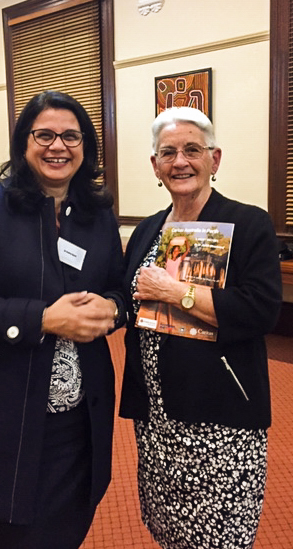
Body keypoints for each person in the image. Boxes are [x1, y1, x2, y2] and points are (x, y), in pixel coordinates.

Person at [0, 90, 126, 549]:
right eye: (44, 135)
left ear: (85, 148)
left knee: (72, 527)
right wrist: (42, 318)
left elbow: (120, 290)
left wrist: (115, 309)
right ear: (24, 144)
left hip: (82, 417)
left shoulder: (97, 213)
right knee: (20, 535)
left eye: (70, 136)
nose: (58, 146)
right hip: (12, 411)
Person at [120, 106, 282, 549]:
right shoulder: (147, 230)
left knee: (217, 532)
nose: (180, 161)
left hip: (219, 414)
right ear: (155, 165)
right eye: (168, 152)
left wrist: (176, 293)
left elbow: (261, 309)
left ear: (215, 159)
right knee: (169, 524)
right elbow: (128, 296)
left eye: (193, 149)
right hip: (157, 414)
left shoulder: (248, 223)